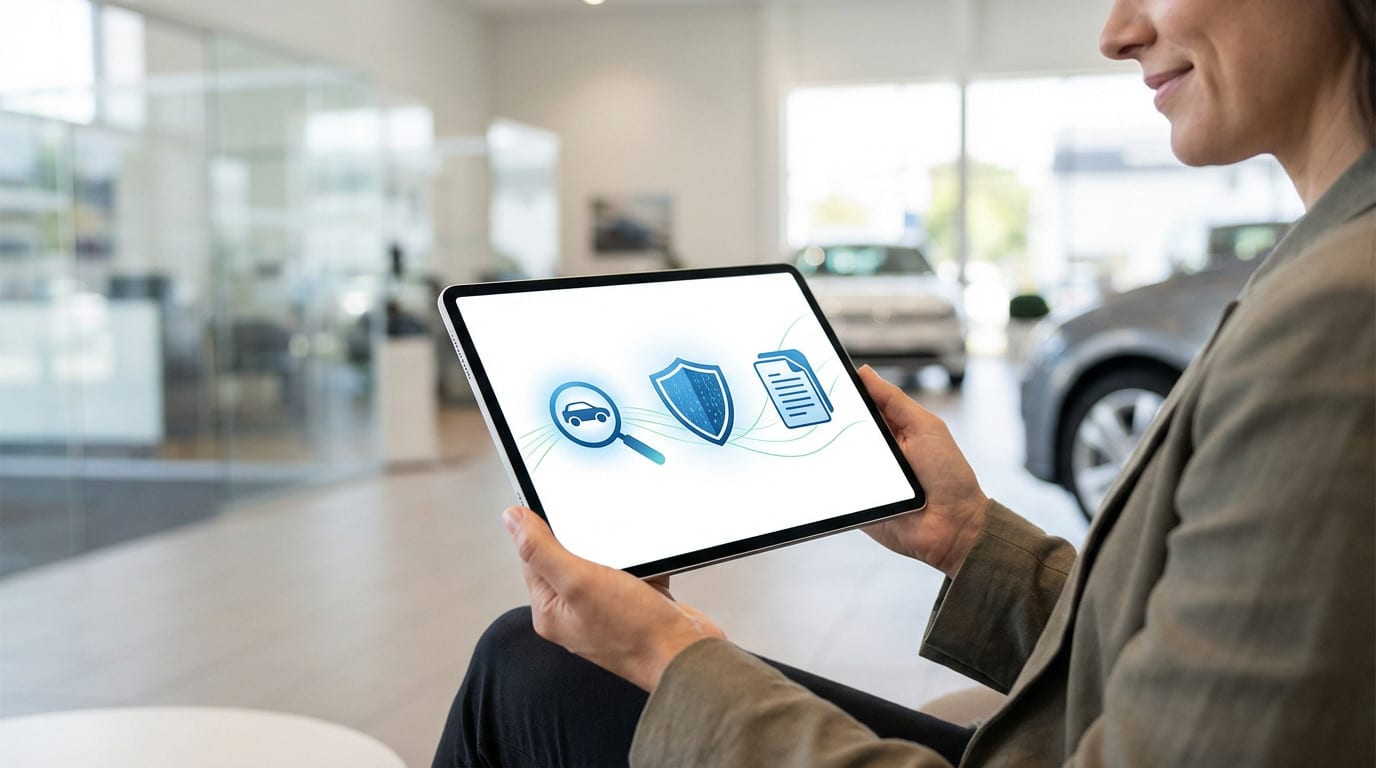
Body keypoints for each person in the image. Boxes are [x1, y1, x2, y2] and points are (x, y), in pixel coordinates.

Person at [435, 0, 1376, 764]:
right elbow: (1161, 652)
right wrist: (968, 538)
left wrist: (667, 653)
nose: (1117, 31)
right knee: (530, 660)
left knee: (528, 668)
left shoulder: (1340, 315)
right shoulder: (1326, 260)